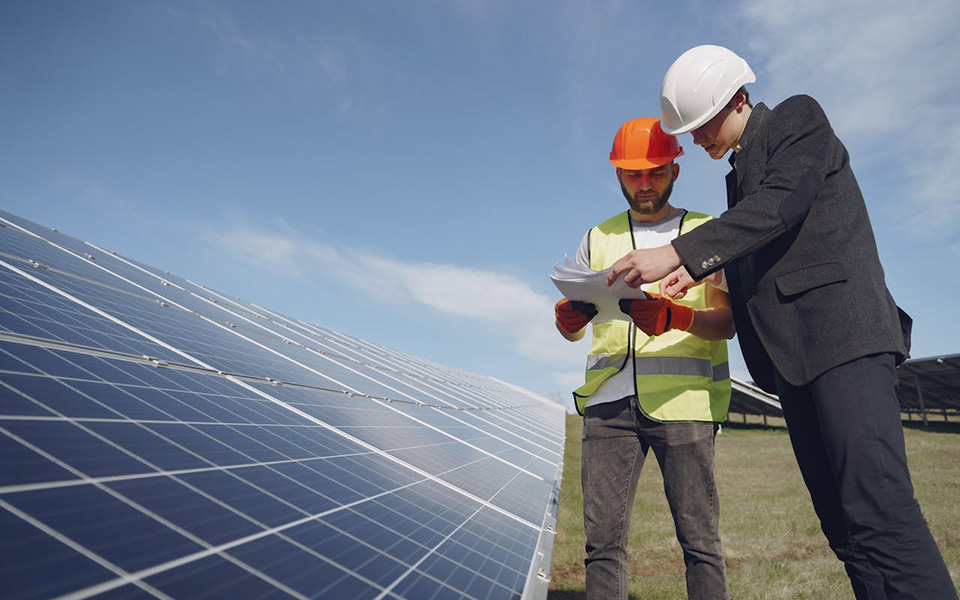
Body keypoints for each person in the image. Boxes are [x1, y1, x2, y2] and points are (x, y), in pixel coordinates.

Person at [606, 45, 956, 599]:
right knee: (845, 529)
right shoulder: (738, 178)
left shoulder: (798, 118)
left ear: (738, 99)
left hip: (844, 342)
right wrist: (691, 284)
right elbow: (757, 249)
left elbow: (780, 206)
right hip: (794, 363)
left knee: (879, 509)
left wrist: (681, 252)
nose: (696, 140)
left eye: (702, 125)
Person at [555, 117, 735, 600]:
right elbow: (581, 325)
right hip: (608, 406)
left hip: (686, 404)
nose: (644, 184)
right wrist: (567, 323)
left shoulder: (706, 232)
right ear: (617, 175)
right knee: (603, 547)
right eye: (633, 174)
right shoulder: (597, 238)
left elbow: (728, 323)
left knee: (700, 544)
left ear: (675, 170)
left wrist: (678, 318)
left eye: (654, 172)